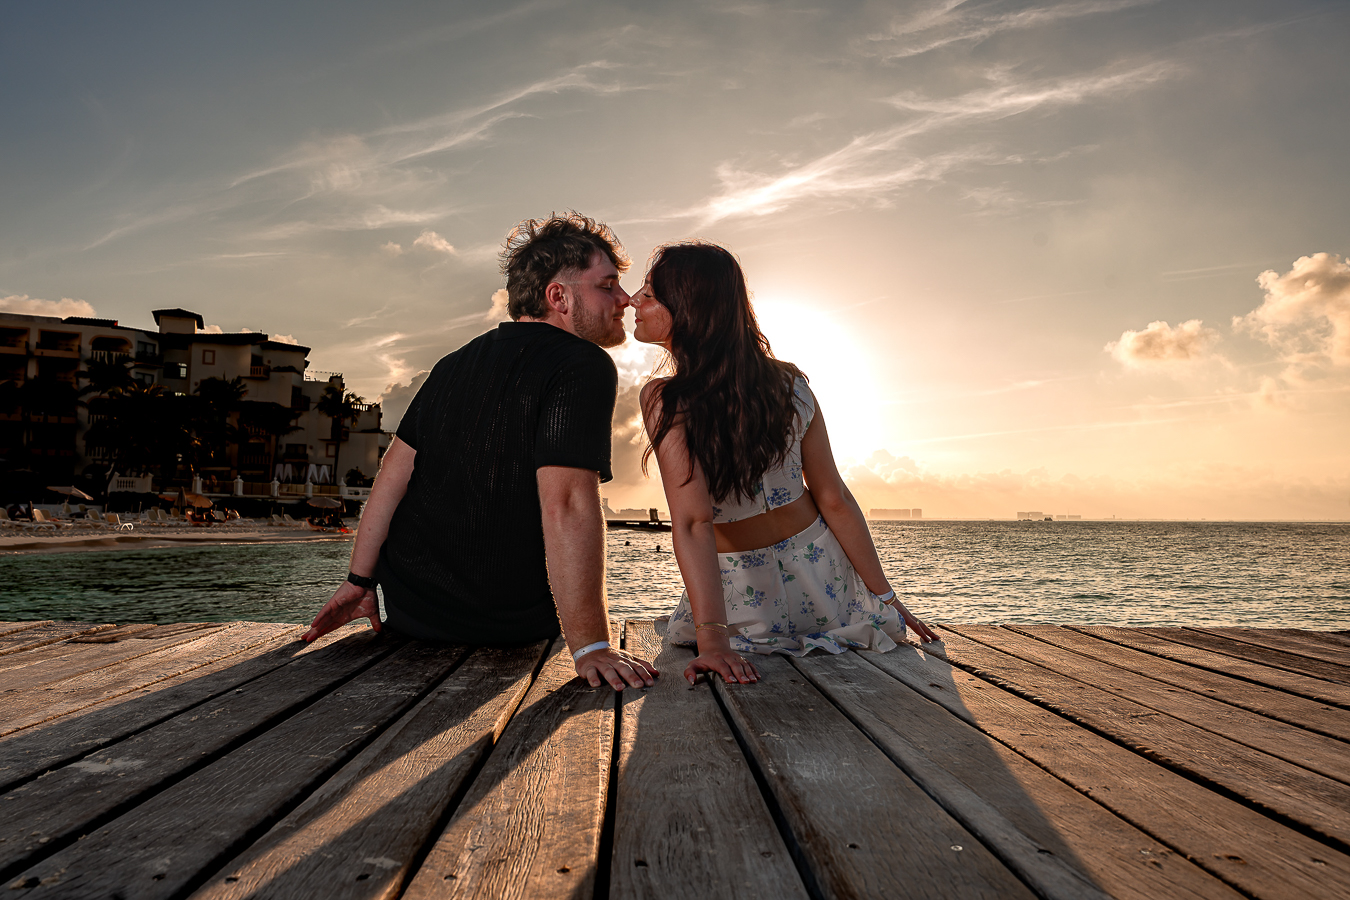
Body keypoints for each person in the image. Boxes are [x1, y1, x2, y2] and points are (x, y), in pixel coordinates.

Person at [303, 212, 658, 691]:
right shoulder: (581, 364)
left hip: (411, 614)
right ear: (558, 297)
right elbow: (569, 503)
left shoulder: (451, 364)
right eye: (608, 285)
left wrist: (358, 583)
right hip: (506, 625)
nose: (625, 299)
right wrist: (591, 645)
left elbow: (391, 479)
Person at [632, 242, 940, 687]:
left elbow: (695, 522)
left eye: (648, 293)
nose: (633, 301)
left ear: (688, 308)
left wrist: (713, 641)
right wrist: (883, 598)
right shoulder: (789, 382)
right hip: (823, 581)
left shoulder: (665, 398)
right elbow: (833, 498)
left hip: (741, 595)